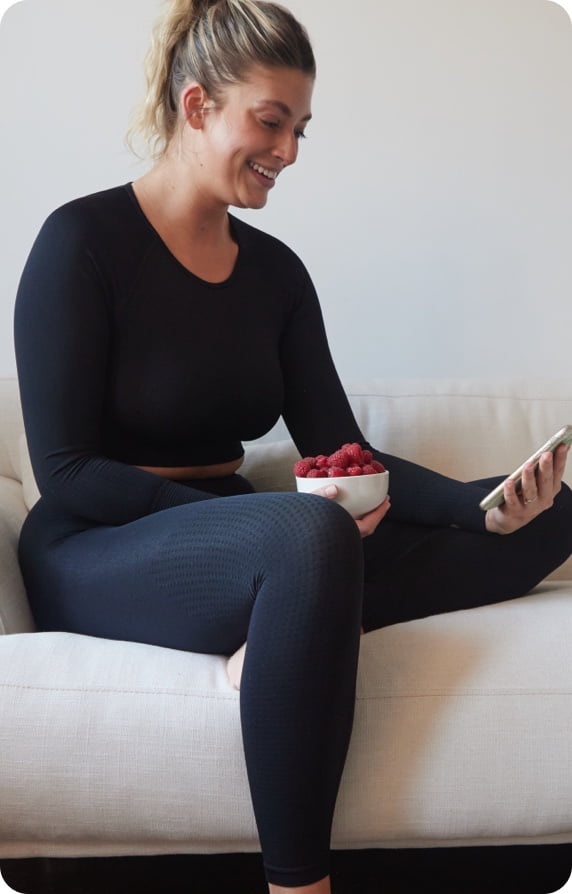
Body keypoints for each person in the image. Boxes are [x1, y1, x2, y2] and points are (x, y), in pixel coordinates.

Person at [13, 1, 572, 891]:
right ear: (197, 107)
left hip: (248, 537)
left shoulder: (275, 273)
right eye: (270, 122)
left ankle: (286, 621)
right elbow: (67, 474)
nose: (290, 152)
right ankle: (299, 881)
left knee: (549, 518)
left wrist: (483, 505)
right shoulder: (81, 243)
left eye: (301, 128)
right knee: (308, 537)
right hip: (98, 541)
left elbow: (339, 448)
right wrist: (279, 524)